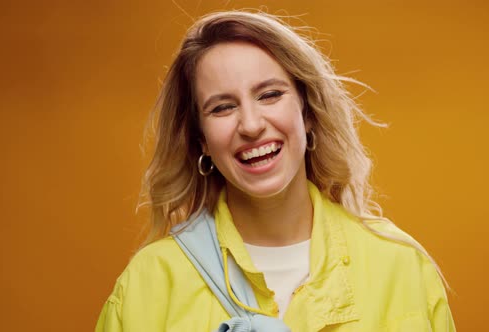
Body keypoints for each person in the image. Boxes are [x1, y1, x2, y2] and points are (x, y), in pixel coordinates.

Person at [95, 10, 456, 332]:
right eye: (222, 107)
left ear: (308, 111)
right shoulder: (146, 285)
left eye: (269, 95)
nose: (251, 125)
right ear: (200, 140)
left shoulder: (402, 268)